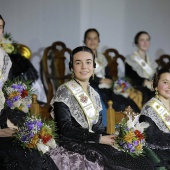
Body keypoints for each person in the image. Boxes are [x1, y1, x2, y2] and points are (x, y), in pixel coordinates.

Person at [49, 46, 154, 170]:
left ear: (93, 66)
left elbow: (97, 128)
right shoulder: (64, 92)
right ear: (72, 67)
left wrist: (117, 137)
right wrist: (99, 138)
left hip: (93, 142)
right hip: (72, 144)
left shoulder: (94, 94)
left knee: (141, 161)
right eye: (78, 63)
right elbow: (65, 130)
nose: (84, 67)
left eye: (88, 62)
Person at [0, 14, 57, 170]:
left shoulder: (5, 60)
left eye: (0, 27)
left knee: (39, 154)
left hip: (7, 120)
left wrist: (21, 126)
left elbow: (9, 101)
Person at [84, 28, 140, 125]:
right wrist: (100, 80)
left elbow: (108, 75)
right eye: (89, 38)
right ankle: (110, 126)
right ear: (85, 41)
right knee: (108, 99)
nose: (92, 41)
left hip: (106, 86)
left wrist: (110, 81)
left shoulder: (102, 57)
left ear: (98, 41)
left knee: (125, 98)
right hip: (92, 85)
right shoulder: (82, 56)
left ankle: (133, 124)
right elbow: (83, 74)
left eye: (95, 38)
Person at [140, 68, 170, 170]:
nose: (169, 87)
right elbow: (149, 140)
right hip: (159, 155)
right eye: (165, 82)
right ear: (156, 85)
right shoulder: (150, 108)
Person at [125, 31, 157, 105]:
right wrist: (144, 82)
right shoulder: (131, 59)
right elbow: (130, 77)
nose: (145, 43)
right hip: (138, 87)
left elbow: (156, 76)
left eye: (147, 40)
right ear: (137, 42)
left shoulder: (151, 61)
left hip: (151, 87)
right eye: (142, 40)